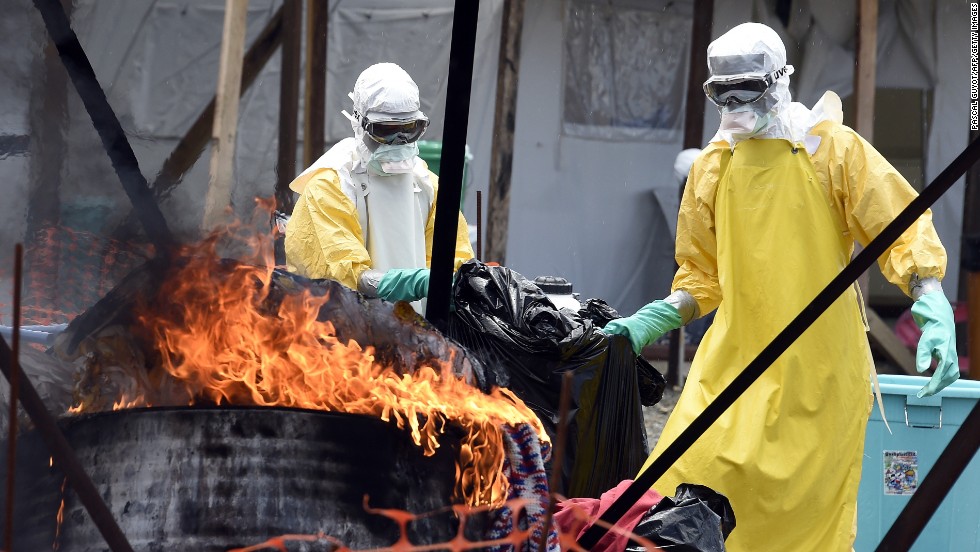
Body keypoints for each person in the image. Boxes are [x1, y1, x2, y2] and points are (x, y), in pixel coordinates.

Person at [603, 22, 959, 551]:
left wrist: (929, 295)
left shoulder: (829, 149)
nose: (735, 103)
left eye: (745, 89)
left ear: (777, 81)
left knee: (804, 524)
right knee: (678, 485)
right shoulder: (712, 167)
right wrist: (651, 319)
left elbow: (900, 223)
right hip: (733, 363)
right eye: (721, 93)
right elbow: (700, 278)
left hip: (818, 375)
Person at [284, 63, 474, 314]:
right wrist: (402, 284)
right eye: (386, 130)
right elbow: (338, 273)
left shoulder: (427, 184)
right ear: (359, 124)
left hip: (416, 335)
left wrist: (452, 283)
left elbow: (456, 258)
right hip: (345, 338)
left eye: (409, 129)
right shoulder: (332, 186)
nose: (400, 141)